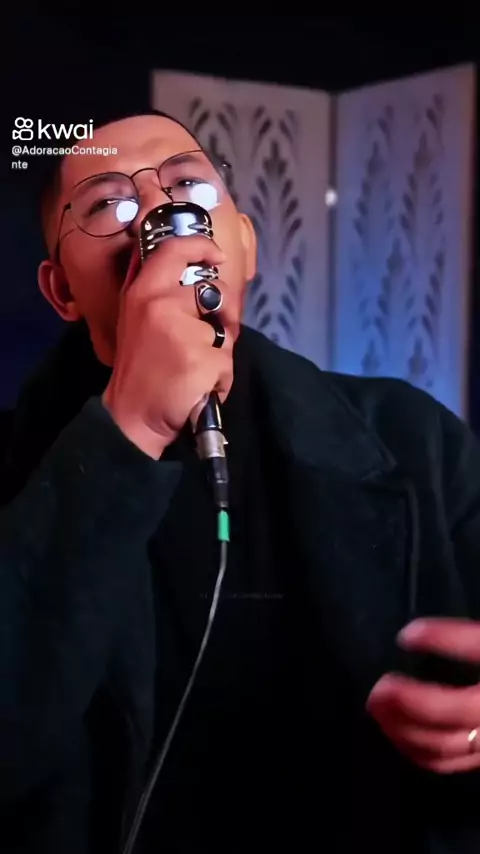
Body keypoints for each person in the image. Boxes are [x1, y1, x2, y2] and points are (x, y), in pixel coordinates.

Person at [2, 109, 480, 854]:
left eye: (190, 186)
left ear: (246, 245)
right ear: (61, 289)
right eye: (109, 204)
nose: (161, 214)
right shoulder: (13, 464)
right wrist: (129, 429)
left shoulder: (414, 439)